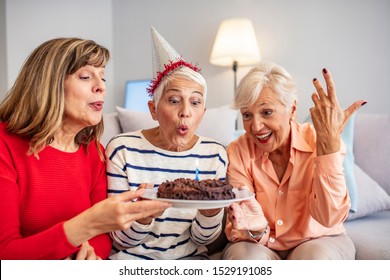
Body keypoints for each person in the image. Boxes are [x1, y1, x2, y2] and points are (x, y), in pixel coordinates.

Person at [0, 37, 171, 260]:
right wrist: (87, 224)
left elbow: (102, 238)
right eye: (85, 76)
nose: (101, 86)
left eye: (103, 76)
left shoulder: (95, 153)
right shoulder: (5, 146)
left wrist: (90, 257)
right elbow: (5, 254)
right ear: (49, 84)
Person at [222, 62, 366, 260]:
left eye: (266, 112)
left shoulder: (322, 140)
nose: (255, 127)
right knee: (244, 260)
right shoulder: (238, 151)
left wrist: (328, 148)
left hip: (319, 239)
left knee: (313, 260)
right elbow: (243, 224)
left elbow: (329, 217)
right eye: (247, 115)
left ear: (292, 109)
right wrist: (258, 230)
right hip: (259, 241)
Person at [105, 28, 227, 260]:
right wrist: (142, 216)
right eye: (174, 100)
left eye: (195, 102)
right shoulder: (122, 150)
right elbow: (119, 240)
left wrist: (210, 214)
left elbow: (203, 240)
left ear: (203, 112)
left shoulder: (215, 155)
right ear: (153, 109)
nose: (185, 113)